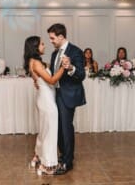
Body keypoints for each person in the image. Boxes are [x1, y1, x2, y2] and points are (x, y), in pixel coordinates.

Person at [23, 36, 65, 175]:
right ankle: (48, 165)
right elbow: (52, 80)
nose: (44, 46)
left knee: (44, 130)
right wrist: (64, 67)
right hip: (47, 100)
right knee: (50, 132)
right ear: (35, 47)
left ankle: (38, 156)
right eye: (41, 44)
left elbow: (39, 80)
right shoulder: (36, 63)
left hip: (44, 97)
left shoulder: (33, 62)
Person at [48, 23, 86, 175]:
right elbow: (53, 74)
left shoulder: (76, 51)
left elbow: (81, 75)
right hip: (55, 94)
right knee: (58, 129)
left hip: (68, 95)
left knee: (66, 128)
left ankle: (67, 163)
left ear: (61, 36)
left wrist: (70, 67)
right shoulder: (54, 54)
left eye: (52, 38)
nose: (51, 41)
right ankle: (63, 156)